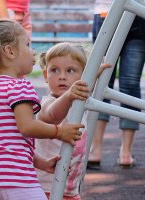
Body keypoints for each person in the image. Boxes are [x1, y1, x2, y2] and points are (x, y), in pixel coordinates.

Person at [0, 20, 85, 200]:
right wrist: (59, 132)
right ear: (10, 51)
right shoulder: (19, 86)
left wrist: (41, 164)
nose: (33, 51)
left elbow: (11, 142)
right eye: (28, 45)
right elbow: (27, 127)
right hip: (16, 176)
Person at [35, 42, 110, 200]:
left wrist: (94, 73)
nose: (62, 76)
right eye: (54, 70)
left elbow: (84, 88)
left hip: (70, 188)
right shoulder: (46, 102)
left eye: (70, 70)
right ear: (45, 76)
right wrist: (69, 94)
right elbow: (52, 116)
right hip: (44, 188)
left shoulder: (78, 103)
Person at [88, 0, 145, 168]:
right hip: (139, 12)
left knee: (103, 80)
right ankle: (125, 153)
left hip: (108, 11)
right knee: (130, 84)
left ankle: (96, 150)